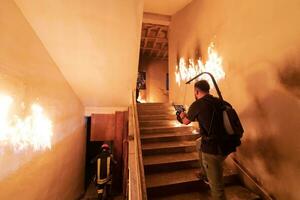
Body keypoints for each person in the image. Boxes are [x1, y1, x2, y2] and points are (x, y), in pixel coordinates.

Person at [178, 80, 229, 200]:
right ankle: (204, 173)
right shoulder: (219, 101)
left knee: (217, 189)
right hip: (227, 144)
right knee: (198, 143)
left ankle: (208, 175)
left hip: (213, 148)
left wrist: (181, 116)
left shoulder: (197, 104)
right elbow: (209, 117)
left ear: (196, 91)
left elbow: (185, 122)